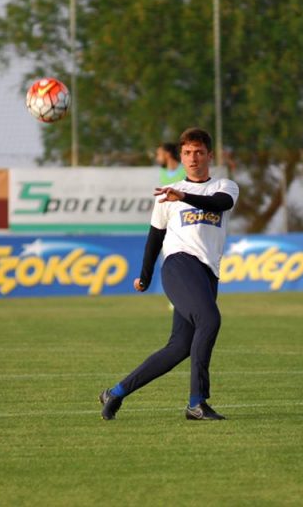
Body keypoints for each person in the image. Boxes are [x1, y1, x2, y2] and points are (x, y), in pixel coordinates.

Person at [99, 127, 239, 421]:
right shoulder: (168, 195)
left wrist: (184, 196)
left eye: (199, 152)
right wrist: (145, 276)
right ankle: (196, 403)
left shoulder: (224, 186)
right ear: (181, 156)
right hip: (178, 265)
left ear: (209, 155)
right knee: (210, 319)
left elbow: (220, 204)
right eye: (187, 152)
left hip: (207, 273)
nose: (193, 158)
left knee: (179, 348)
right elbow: (155, 237)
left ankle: (116, 392)